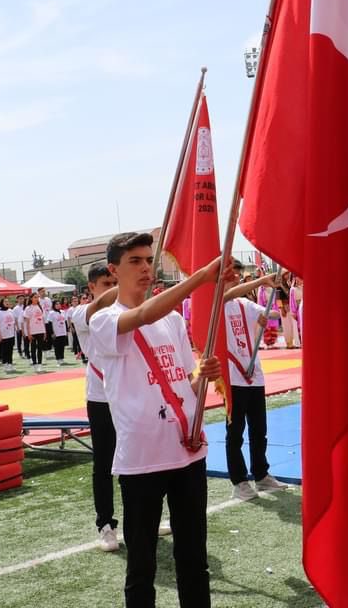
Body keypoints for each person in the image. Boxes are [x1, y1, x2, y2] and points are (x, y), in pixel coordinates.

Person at [86, 232, 233, 608]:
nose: (145, 268)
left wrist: (205, 374)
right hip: (142, 461)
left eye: (149, 260)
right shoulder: (104, 321)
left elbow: (188, 383)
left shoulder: (172, 324)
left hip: (188, 452)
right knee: (142, 565)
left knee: (194, 561)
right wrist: (201, 277)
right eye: (135, 261)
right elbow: (141, 315)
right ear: (113, 270)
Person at [68, 263, 143, 552]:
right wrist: (123, 288)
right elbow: (100, 304)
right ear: (91, 288)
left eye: (115, 282)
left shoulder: (127, 312)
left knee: (136, 461)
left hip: (131, 395)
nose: (112, 288)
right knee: (104, 464)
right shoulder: (81, 313)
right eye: (106, 284)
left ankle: (139, 518)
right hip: (101, 399)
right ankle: (106, 525)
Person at [222, 261, 288, 501]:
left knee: (259, 430)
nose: (237, 280)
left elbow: (271, 314)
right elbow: (225, 294)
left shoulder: (243, 304)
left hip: (254, 374)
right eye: (233, 276)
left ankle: (261, 475)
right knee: (235, 432)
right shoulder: (216, 302)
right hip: (232, 376)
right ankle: (239, 481)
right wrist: (261, 280)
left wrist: (268, 314)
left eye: (238, 276)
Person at [23, 294, 47, 373]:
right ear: (31, 298)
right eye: (35, 297)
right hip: (32, 331)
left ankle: (40, 364)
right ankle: (35, 364)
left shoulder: (40, 307)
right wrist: (28, 333)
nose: (36, 299)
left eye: (37, 297)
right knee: (33, 348)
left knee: (40, 348)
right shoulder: (28, 308)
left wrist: (45, 331)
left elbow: (43, 320)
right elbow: (27, 322)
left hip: (40, 330)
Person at [0, 298, 18, 374]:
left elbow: (13, 322)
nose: (7, 303)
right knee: (4, 351)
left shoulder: (11, 311)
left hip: (11, 334)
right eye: (5, 302)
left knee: (10, 350)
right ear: (2, 303)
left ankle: (10, 364)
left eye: (8, 301)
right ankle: (5, 364)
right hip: (3, 335)